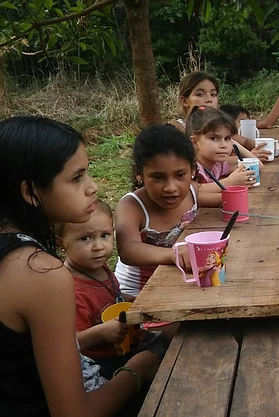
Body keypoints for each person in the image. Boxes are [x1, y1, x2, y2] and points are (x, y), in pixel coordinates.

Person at [0, 116, 160, 416]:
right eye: (77, 178)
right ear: (29, 192)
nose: (93, 187)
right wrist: (136, 371)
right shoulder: (39, 273)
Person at [58, 198, 165, 380]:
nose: (99, 247)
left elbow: (111, 294)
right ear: (61, 242)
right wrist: (101, 333)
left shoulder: (98, 267)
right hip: (102, 362)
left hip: (127, 342)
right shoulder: (71, 288)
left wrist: (133, 300)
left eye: (105, 235)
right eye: (85, 238)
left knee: (170, 341)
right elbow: (71, 342)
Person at [114, 124, 200, 299]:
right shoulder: (132, 206)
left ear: (192, 169)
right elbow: (128, 249)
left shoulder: (191, 192)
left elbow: (222, 195)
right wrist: (173, 255)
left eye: (179, 175)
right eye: (158, 177)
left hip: (177, 283)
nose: (170, 187)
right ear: (139, 174)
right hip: (138, 295)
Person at [169, 71, 270, 162]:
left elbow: (245, 142)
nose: (209, 99)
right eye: (200, 94)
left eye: (213, 94)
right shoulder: (176, 128)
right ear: (184, 101)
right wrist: (246, 158)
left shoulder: (219, 127)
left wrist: (269, 146)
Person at [186, 107, 257, 206]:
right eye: (214, 138)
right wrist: (230, 184)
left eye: (227, 138)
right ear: (194, 142)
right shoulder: (190, 167)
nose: (223, 145)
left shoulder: (218, 164)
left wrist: (235, 144)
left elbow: (257, 165)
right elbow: (191, 194)